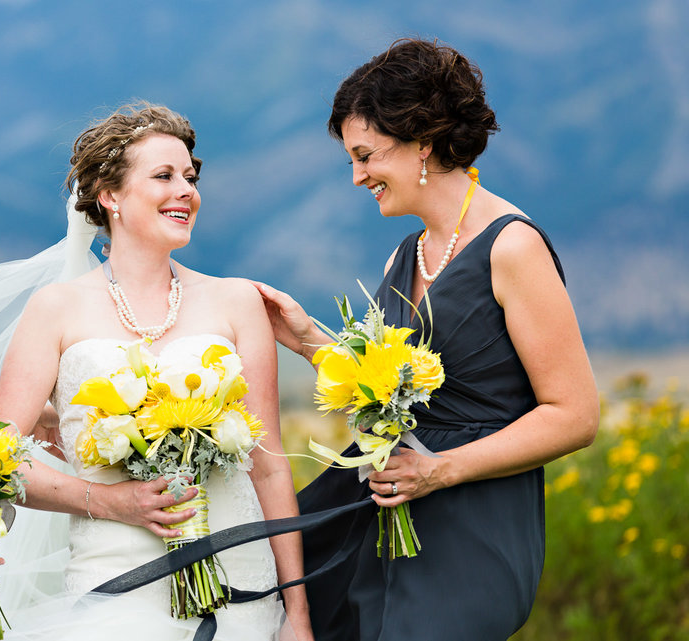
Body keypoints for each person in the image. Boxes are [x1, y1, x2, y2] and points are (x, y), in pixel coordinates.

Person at [253, 38, 599, 640]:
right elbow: (400, 386)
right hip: (384, 512)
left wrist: (440, 471)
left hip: (472, 523)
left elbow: (575, 415)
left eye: (366, 156)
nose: (358, 177)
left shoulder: (512, 247)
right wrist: (309, 340)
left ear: (422, 142)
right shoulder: (405, 254)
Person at [0, 103, 313, 640]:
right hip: (115, 576)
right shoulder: (55, 309)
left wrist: (296, 612)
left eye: (190, 177)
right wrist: (107, 501)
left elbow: (269, 467)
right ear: (110, 196)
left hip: (241, 579)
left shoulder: (236, 300)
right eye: (163, 176)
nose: (186, 190)